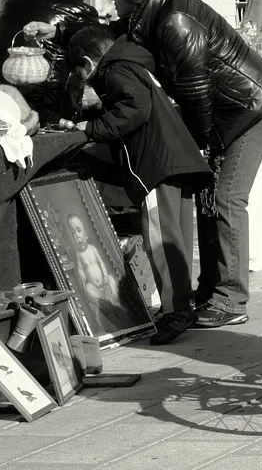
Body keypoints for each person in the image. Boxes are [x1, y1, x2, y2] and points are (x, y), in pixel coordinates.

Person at [105, 0, 262, 329]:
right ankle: (210, 291)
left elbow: (197, 93)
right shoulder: (159, 7)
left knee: (226, 199)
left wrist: (199, 145)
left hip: (249, 108)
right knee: (209, 199)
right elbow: (122, 29)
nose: (112, 3)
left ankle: (231, 299)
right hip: (232, 110)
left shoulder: (175, 22)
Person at [67, 25, 212, 344]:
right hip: (177, 159)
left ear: (89, 63)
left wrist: (93, 128)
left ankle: (176, 312)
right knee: (177, 240)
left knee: (161, 240)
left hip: (157, 165)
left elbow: (134, 108)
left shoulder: (115, 71)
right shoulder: (132, 63)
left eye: (81, 71)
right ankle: (180, 305)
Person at [68, 213, 120, 306]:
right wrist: (83, 283)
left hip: (105, 283)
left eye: (79, 230)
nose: (77, 236)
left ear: (86, 234)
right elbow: (80, 270)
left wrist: (105, 277)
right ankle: (103, 303)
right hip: (95, 288)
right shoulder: (79, 255)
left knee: (112, 280)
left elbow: (101, 263)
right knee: (88, 290)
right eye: (73, 233)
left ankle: (113, 300)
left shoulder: (92, 248)